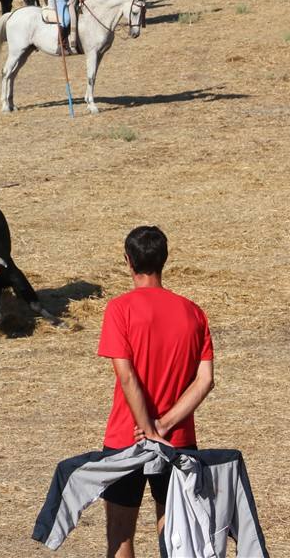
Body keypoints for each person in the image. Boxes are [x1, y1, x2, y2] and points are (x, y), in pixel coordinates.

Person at [96, 227, 214, 558]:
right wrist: (164, 426)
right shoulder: (194, 313)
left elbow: (127, 376)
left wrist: (148, 430)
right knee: (177, 536)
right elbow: (204, 380)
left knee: (120, 537)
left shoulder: (119, 309)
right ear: (164, 260)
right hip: (177, 441)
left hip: (126, 438)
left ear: (127, 261)